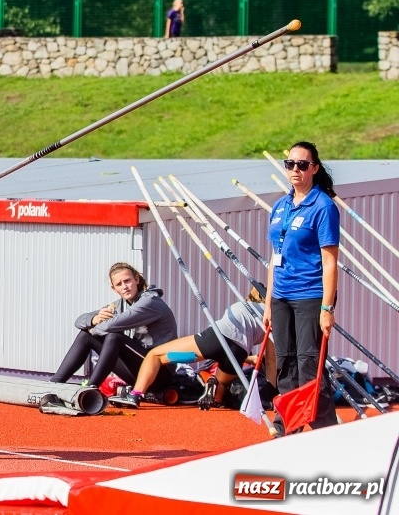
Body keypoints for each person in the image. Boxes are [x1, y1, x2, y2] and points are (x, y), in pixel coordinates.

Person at [263, 141, 339, 435]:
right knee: (285, 363)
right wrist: (268, 304)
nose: (295, 169)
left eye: (302, 165)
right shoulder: (280, 206)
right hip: (281, 296)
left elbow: (330, 262)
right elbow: (274, 257)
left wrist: (326, 308)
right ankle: (288, 427)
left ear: (314, 169)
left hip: (310, 295)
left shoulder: (323, 207)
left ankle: (325, 431)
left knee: (309, 365)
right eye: (290, 164)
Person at [121, 284, 275, 409]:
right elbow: (271, 360)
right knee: (221, 387)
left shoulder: (242, 305)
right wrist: (273, 391)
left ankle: (135, 395)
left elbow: (228, 337)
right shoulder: (273, 317)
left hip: (214, 341)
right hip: (238, 353)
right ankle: (214, 386)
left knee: (155, 355)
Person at [50, 262, 178, 391]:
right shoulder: (119, 306)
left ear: (136, 279)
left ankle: (89, 390)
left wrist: (93, 328)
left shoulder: (149, 302)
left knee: (114, 337)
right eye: (119, 284)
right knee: (86, 335)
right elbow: (79, 321)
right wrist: (93, 319)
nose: (125, 287)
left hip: (160, 373)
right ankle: (54, 385)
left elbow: (108, 327)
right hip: (138, 373)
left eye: (127, 281)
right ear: (114, 288)